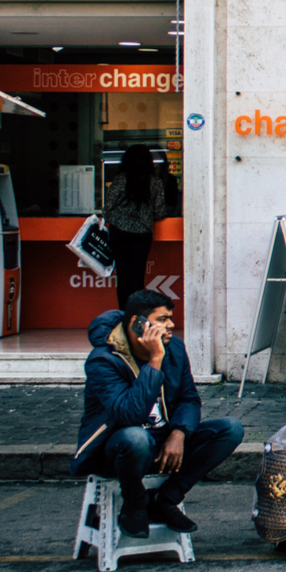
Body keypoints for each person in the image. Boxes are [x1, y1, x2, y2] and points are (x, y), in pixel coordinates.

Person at [70, 290, 244, 538]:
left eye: (170, 318)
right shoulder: (103, 361)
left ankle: (166, 499)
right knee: (136, 438)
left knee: (230, 429)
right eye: (162, 319)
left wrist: (179, 433)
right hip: (119, 452)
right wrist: (155, 360)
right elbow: (130, 415)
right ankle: (135, 503)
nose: (171, 325)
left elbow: (188, 398)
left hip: (163, 445)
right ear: (137, 324)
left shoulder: (175, 347)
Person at [104, 145, 166, 310]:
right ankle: (136, 316)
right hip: (142, 235)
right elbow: (159, 212)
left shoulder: (120, 179)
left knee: (123, 277)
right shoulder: (155, 183)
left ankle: (124, 315)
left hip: (119, 233)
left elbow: (107, 208)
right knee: (137, 278)